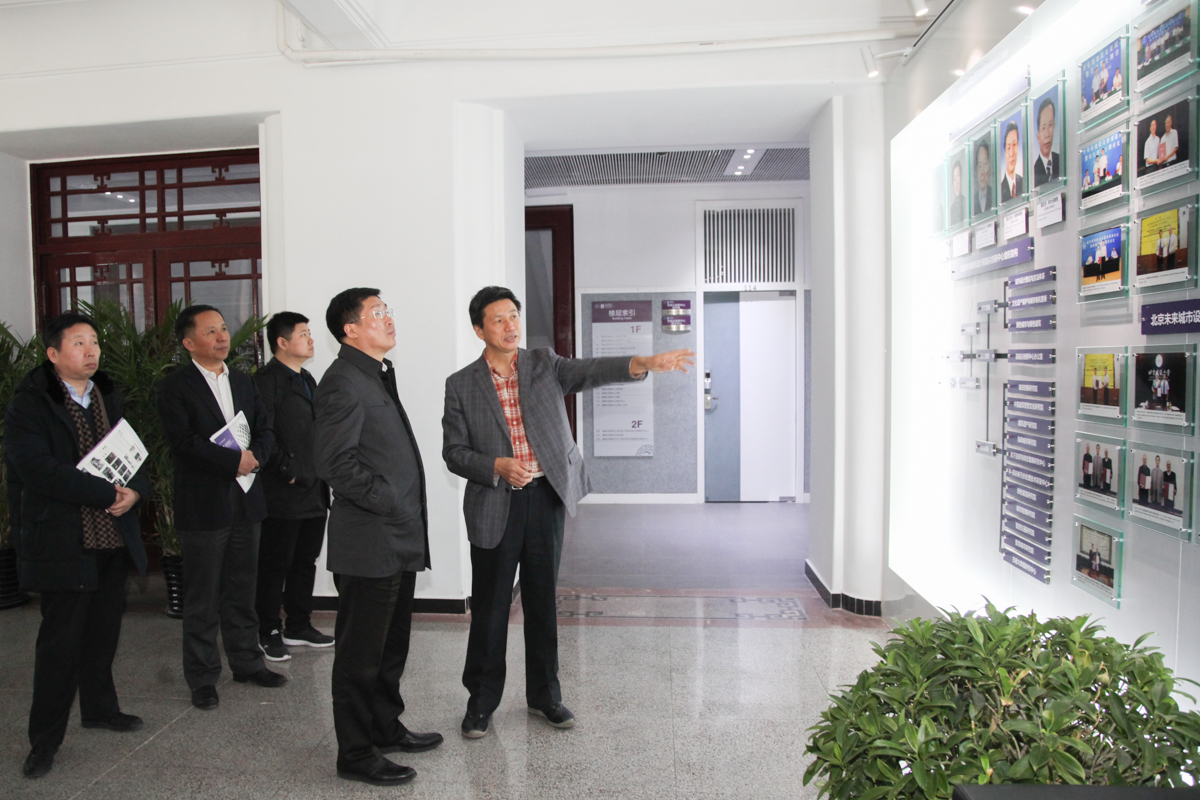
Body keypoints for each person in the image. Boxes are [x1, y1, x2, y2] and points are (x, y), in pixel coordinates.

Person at [442, 285, 695, 741]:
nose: (510, 326)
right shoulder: (461, 384)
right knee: (491, 608)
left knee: (542, 602)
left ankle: (545, 696)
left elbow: (590, 370)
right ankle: (480, 702)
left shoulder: (543, 364)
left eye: (514, 315)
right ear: (479, 329)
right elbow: (454, 452)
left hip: (545, 498)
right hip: (495, 504)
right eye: (498, 319)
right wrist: (495, 465)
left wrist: (644, 362)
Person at [6, 312, 150, 779]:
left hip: (112, 537)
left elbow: (133, 454)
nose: (91, 351)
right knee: (59, 647)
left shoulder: (108, 395)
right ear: (53, 354)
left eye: (94, 342)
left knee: (103, 634)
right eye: (78, 343)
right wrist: (106, 493)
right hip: (62, 539)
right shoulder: (31, 404)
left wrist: (135, 492)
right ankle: (44, 742)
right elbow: (37, 470)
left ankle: (100, 710)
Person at [313, 288, 442, 787]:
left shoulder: (375, 373)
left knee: (390, 647)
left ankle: (384, 727)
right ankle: (355, 753)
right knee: (359, 657)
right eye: (377, 313)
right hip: (370, 542)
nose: (388, 319)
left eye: (388, 311)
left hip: (396, 537)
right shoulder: (343, 381)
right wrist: (386, 499)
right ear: (350, 329)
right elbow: (334, 463)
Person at [156, 305, 284, 712]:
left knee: (243, 590)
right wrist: (234, 462)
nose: (223, 337)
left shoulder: (244, 381)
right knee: (203, 596)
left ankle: (247, 663)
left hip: (247, 499)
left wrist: (256, 457)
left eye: (224, 329)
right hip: (204, 503)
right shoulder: (174, 387)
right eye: (211, 331)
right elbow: (183, 443)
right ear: (189, 342)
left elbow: (264, 428)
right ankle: (202, 677)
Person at [252, 312, 333, 662]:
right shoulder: (266, 381)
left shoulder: (307, 378)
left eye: (310, 333)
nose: (310, 339)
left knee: (305, 561)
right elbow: (262, 434)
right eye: (303, 334)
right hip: (282, 491)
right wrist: (288, 471)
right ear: (282, 342)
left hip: (315, 489)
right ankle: (268, 629)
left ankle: (299, 624)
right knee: (275, 564)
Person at [1033, 97, 1060, 186]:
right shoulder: (1034, 172)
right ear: (1038, 136)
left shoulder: (1060, 160)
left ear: (1054, 126)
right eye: (1044, 128)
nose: (1047, 134)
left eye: (1050, 125)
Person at [1000, 122, 1023, 202]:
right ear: (1005, 153)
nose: (1011, 153)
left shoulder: (1024, 183)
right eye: (1008, 147)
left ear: (1018, 147)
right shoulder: (1000, 191)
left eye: (1014, 145)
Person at [972, 139, 993, 216]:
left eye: (985, 163)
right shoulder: (973, 202)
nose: (982, 172)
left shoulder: (994, 195)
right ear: (976, 170)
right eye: (980, 166)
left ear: (989, 165)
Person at [949, 160, 966, 225]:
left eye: (958, 176)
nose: (956, 182)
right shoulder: (952, 208)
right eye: (954, 179)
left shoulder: (965, 202)